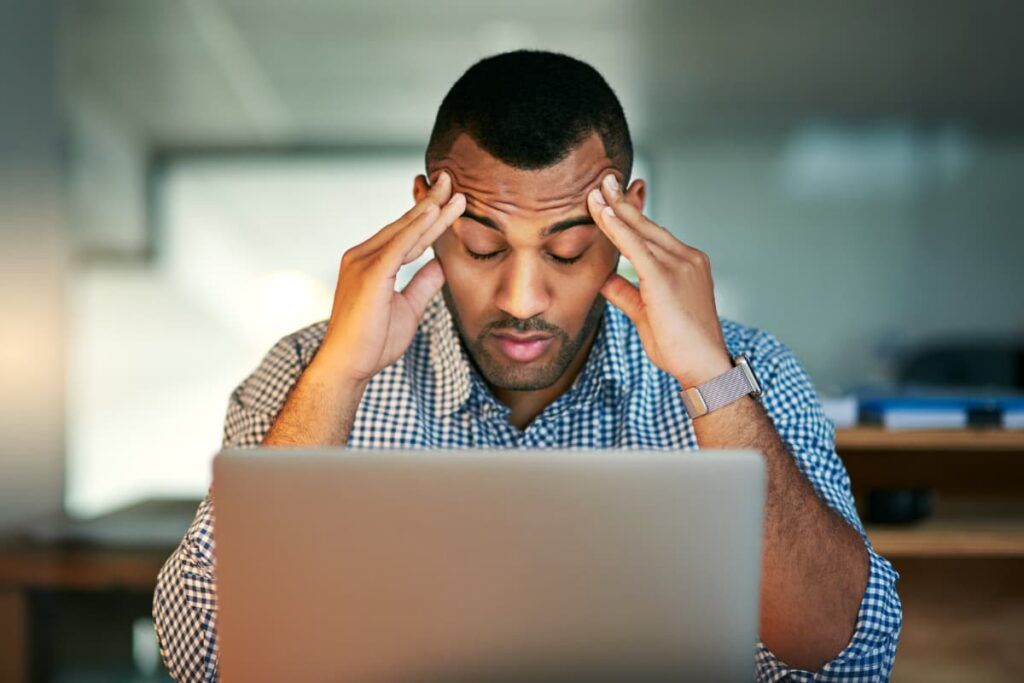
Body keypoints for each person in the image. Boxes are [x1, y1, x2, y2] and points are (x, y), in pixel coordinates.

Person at [153, 50, 901, 681]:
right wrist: (336, 379)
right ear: (427, 212)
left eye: (568, 249)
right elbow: (205, 660)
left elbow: (846, 659)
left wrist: (710, 377)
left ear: (630, 219)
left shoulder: (748, 370)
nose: (522, 298)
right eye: (482, 247)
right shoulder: (301, 372)